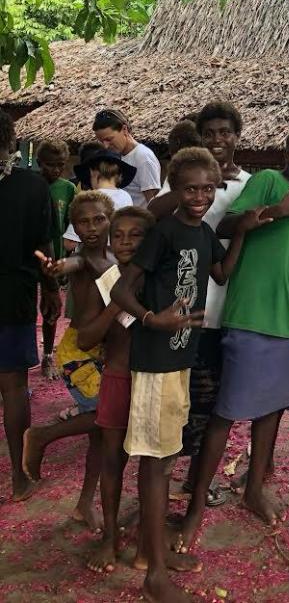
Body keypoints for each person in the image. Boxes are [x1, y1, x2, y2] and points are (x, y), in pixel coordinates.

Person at [109, 147, 266, 603]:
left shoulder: (202, 234)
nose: (198, 196)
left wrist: (243, 235)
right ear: (175, 187)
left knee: (165, 458)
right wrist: (150, 319)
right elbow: (122, 288)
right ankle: (154, 573)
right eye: (189, 188)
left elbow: (221, 273)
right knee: (156, 465)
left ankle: (148, 552)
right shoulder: (165, 232)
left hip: (182, 360)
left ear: (215, 187)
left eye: (205, 188)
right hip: (157, 360)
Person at [174, 129, 289, 552]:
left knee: (272, 407)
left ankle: (255, 488)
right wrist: (278, 209)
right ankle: (196, 505)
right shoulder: (269, 182)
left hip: (287, 317)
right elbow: (226, 224)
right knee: (227, 412)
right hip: (251, 314)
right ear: (288, 155)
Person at [150, 102, 251, 507]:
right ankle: (162, 480)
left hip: (226, 308)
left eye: (225, 132)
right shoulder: (188, 179)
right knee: (179, 402)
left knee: (211, 404)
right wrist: (191, 186)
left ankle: (197, 480)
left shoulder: (249, 183)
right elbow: (148, 213)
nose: (217, 140)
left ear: (237, 136)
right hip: (183, 312)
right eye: (209, 134)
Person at [23, 190, 115, 531]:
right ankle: (43, 436)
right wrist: (55, 267)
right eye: (82, 222)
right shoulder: (83, 258)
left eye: (98, 219)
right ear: (73, 227)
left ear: (110, 219)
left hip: (103, 352)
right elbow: (72, 263)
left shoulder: (113, 256)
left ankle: (83, 505)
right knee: (108, 420)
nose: (91, 227)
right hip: (80, 352)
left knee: (101, 437)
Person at [80, 205, 155, 575]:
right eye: (118, 236)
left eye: (135, 235)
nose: (125, 242)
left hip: (154, 381)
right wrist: (116, 302)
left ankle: (145, 533)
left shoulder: (158, 279)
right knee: (113, 460)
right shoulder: (105, 283)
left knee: (152, 464)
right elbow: (84, 339)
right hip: (118, 378)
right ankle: (109, 536)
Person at [0, 110, 59, 501]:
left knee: (14, 387)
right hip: (14, 296)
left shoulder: (33, 186)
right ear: (10, 141)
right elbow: (44, 249)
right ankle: (20, 476)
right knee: (14, 387)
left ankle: (21, 475)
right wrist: (51, 290)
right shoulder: (33, 186)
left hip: (13, 296)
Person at [35, 139, 76, 379]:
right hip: (31, 258)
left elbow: (71, 223)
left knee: (51, 308)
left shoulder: (67, 189)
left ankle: (48, 355)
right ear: (40, 163)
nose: (56, 170)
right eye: (50, 165)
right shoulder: (33, 186)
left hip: (57, 257)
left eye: (60, 165)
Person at [63, 148, 135, 249]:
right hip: (118, 258)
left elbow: (70, 243)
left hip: (93, 260)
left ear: (94, 173)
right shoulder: (126, 197)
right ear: (119, 175)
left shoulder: (88, 200)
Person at [92, 108, 161, 207]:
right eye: (102, 141)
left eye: (109, 139)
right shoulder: (118, 155)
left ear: (124, 129)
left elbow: (153, 203)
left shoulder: (143, 158)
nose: (106, 146)